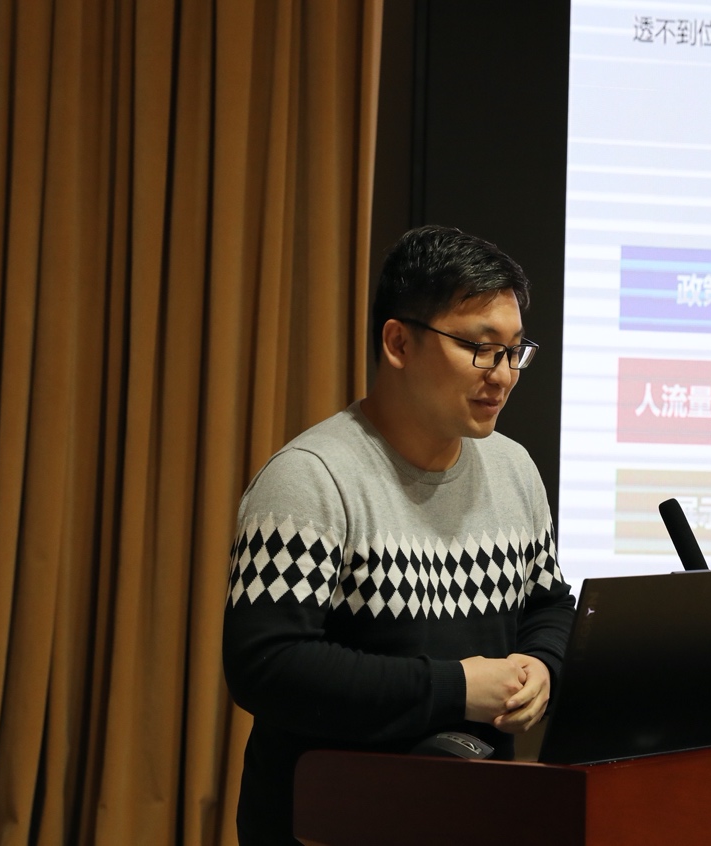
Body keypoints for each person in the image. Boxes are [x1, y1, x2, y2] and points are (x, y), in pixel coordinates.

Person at [222, 224, 576, 844]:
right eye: (481, 348)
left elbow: (547, 605)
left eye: (515, 351)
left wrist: (543, 664)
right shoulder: (312, 478)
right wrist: (456, 688)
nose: (502, 375)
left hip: (471, 817)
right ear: (398, 343)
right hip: (328, 825)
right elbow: (267, 665)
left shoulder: (514, 469)